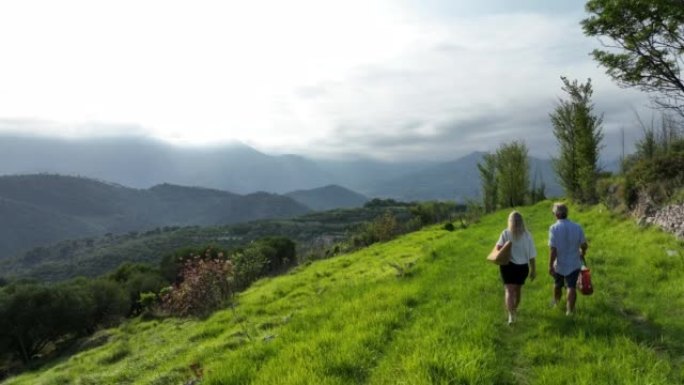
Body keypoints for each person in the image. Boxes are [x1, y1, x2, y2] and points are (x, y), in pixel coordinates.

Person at [496, 211, 537, 325]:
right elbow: (532, 255)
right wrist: (533, 270)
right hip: (522, 267)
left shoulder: (505, 233)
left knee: (509, 290)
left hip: (507, 266)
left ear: (510, 221)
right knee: (518, 291)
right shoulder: (527, 235)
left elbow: (498, 248)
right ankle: (514, 310)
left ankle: (511, 316)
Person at [548, 202, 588, 316]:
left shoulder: (553, 228)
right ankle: (569, 310)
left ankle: (556, 303)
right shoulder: (577, 226)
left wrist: (550, 265)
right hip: (574, 262)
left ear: (556, 214)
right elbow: (584, 244)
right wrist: (582, 252)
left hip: (559, 263)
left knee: (557, 284)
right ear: (566, 213)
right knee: (571, 286)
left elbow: (553, 249)